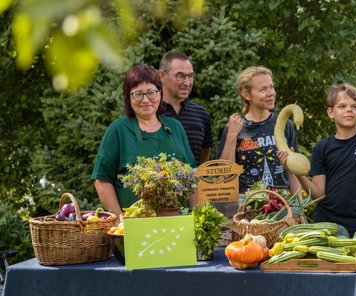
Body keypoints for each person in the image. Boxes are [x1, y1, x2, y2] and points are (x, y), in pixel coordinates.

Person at [279, 83, 356, 242]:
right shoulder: (321, 148)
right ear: (331, 112)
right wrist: (297, 172)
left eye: (354, 106)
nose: (349, 110)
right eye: (342, 106)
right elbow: (318, 193)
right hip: (326, 226)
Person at [91, 65, 197, 220]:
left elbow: (192, 175)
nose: (145, 100)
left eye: (151, 93)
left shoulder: (175, 127)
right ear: (128, 97)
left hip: (178, 224)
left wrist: (196, 216)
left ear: (160, 94)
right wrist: (119, 221)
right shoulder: (119, 130)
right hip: (135, 227)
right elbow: (102, 180)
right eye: (138, 94)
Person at [217, 66, 301, 195]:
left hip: (281, 204)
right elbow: (225, 176)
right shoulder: (235, 127)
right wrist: (232, 135)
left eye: (271, 87)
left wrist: (299, 210)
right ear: (246, 94)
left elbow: (293, 173)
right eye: (263, 89)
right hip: (246, 205)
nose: (271, 93)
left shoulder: (284, 124)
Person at [159, 51, 214, 165]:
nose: (187, 83)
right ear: (162, 76)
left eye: (190, 76)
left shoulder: (201, 114)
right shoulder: (151, 112)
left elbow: (205, 154)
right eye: (180, 76)